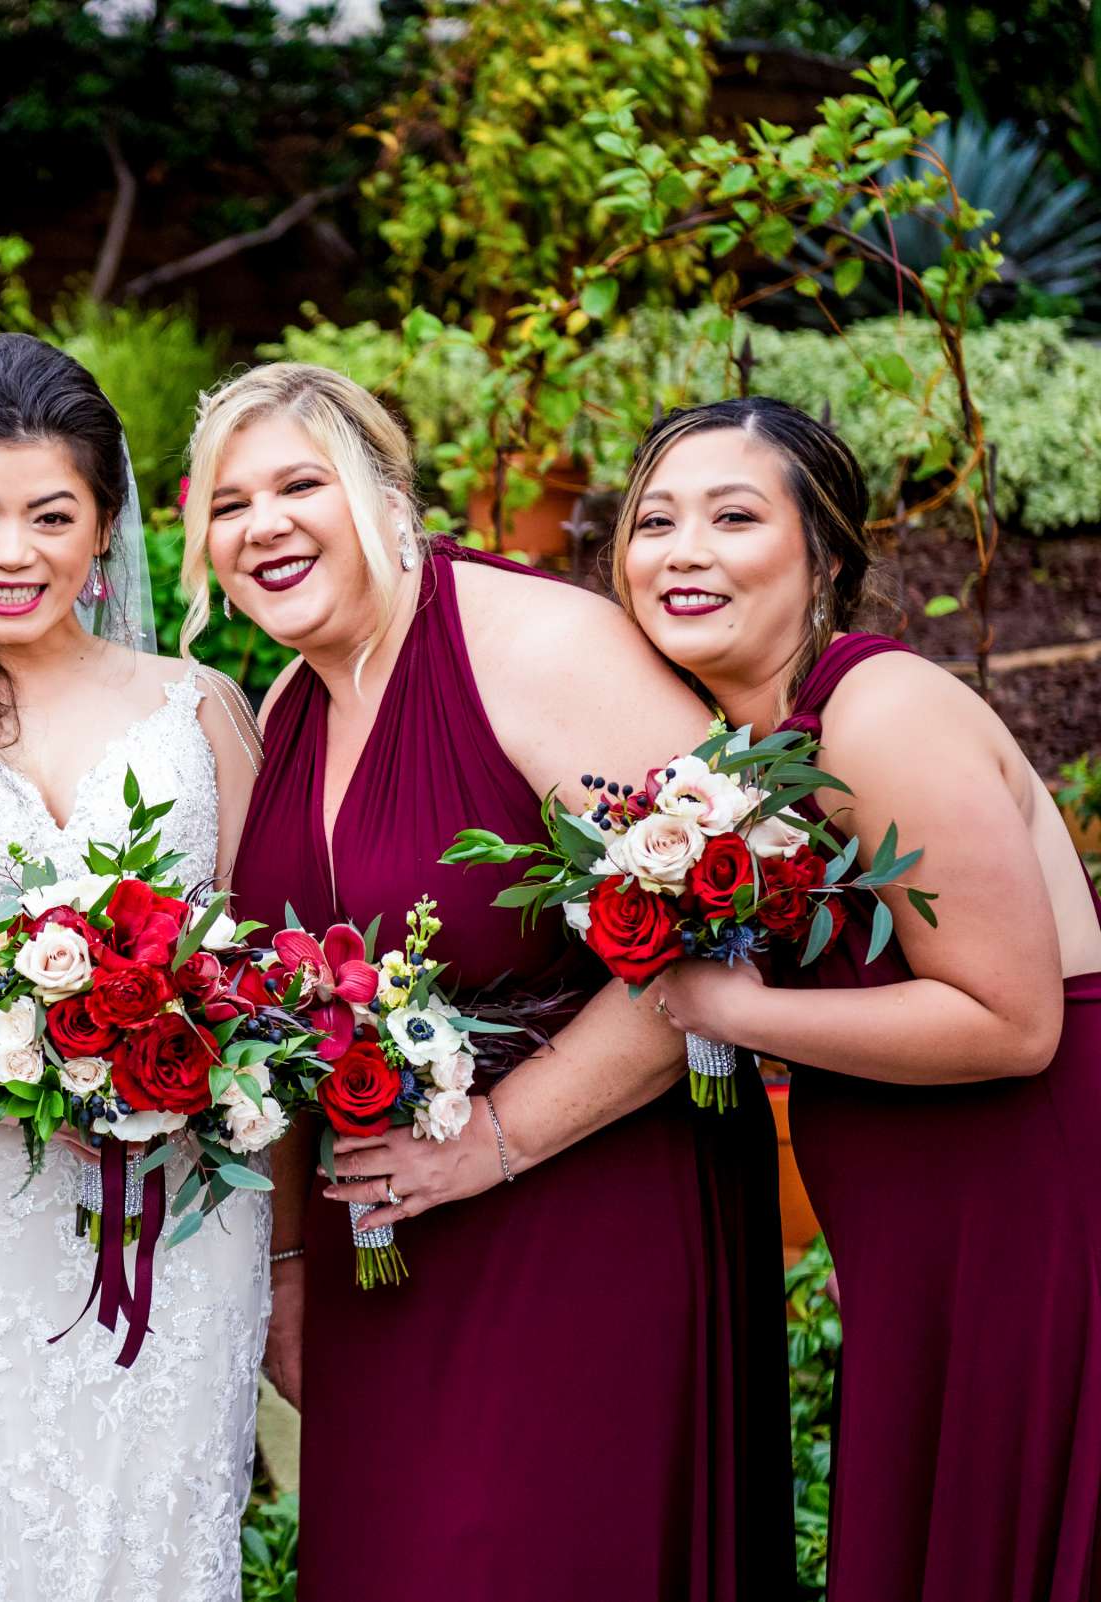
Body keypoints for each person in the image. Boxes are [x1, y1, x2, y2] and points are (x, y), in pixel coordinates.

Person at [198, 363, 791, 1598]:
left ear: (386, 491)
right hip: (387, 1259)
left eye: (300, 483)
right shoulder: (290, 700)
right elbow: (289, 1017)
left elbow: (722, 933)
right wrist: (289, 1272)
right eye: (227, 501)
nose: (263, 525)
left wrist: (496, 1141)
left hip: (581, 1227)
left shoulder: (534, 645)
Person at [629, 397, 1101, 1602]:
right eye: (654, 521)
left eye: (734, 517)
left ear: (824, 555)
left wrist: (732, 1011)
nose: (683, 550)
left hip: (1030, 1204)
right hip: (915, 1231)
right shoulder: (742, 753)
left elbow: (1014, 1019)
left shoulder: (878, 715)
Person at [0, 331, 270, 1601]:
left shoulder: (201, 709)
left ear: (106, 525)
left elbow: (254, 974)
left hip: (186, 1208)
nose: (8, 553)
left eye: (49, 515)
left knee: (160, 1526)